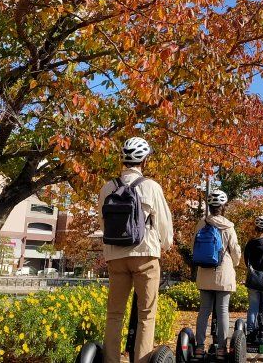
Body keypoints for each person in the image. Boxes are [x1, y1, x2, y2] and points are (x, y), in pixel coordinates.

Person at [99, 137, 174, 363]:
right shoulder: (151, 186)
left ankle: (111, 360)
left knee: (114, 314)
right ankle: (141, 360)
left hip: (115, 256)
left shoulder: (107, 187)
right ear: (144, 160)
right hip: (145, 254)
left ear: (123, 159)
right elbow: (164, 222)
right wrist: (166, 245)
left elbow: (103, 224)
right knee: (146, 314)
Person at [193, 190, 242, 358]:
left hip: (204, 272)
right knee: (222, 311)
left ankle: (199, 347)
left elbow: (195, 245)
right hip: (223, 273)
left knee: (204, 310)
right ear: (223, 207)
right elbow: (235, 250)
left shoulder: (202, 223)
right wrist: (234, 264)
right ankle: (221, 348)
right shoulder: (229, 226)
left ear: (209, 206)